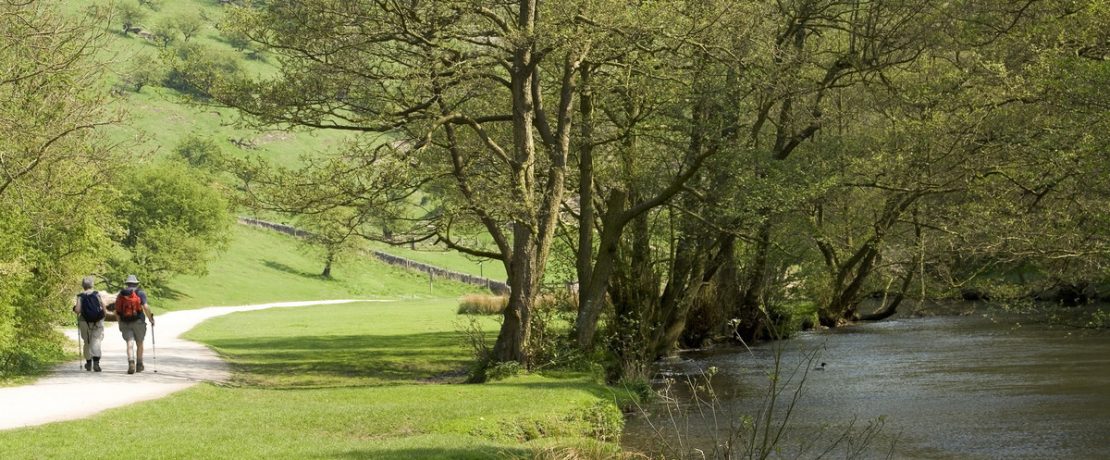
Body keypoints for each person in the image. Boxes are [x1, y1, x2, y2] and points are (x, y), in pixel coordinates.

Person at [116, 274, 155, 374]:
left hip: (125, 322)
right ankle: (139, 365)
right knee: (140, 343)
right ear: (136, 284)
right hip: (139, 322)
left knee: (129, 343)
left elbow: (117, 311)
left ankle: (131, 363)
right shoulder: (140, 293)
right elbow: (145, 307)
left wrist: (119, 323)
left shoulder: (121, 294)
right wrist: (150, 319)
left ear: (127, 284)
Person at [73, 276, 109, 372]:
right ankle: (96, 363)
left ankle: (88, 363)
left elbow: (77, 310)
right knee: (96, 340)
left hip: (84, 321)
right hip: (97, 320)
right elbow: (103, 307)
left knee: (87, 342)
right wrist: (103, 316)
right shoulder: (97, 294)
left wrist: (74, 308)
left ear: (83, 285)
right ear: (92, 285)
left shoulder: (80, 296)